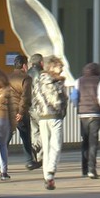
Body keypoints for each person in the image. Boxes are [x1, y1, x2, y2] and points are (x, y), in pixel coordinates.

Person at [32, 55, 67, 190]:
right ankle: (51, 172)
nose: (62, 68)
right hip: (55, 115)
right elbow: (57, 99)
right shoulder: (54, 81)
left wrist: (38, 112)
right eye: (60, 65)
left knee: (46, 148)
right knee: (56, 145)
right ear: (52, 66)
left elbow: (34, 99)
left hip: (42, 116)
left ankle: (48, 177)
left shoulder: (38, 80)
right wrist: (62, 106)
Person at [71, 62, 100, 179]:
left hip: (83, 115)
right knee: (93, 142)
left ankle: (84, 169)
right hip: (95, 114)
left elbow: (74, 97)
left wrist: (78, 107)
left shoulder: (78, 81)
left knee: (85, 141)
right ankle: (92, 169)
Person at [7, 55, 35, 172]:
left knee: (6, 138)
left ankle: (0, 162)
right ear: (24, 65)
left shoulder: (7, 77)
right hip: (19, 112)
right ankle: (29, 161)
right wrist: (22, 111)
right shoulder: (26, 78)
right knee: (25, 136)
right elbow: (25, 97)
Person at [26, 53, 44, 169]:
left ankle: (34, 151)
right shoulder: (42, 74)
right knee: (44, 131)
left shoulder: (26, 74)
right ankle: (39, 153)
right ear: (41, 62)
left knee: (35, 131)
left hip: (30, 107)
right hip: (40, 107)